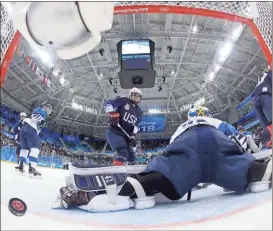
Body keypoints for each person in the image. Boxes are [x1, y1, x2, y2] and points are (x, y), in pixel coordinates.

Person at [52, 106, 271, 212]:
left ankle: (93, 193)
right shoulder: (213, 120)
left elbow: (172, 151)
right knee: (255, 173)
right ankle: (261, 170)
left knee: (155, 178)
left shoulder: (182, 128)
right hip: (216, 140)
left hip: (186, 144)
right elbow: (241, 137)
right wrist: (249, 152)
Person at [103, 88, 143, 165]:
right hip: (114, 131)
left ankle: (132, 176)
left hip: (126, 136)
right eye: (134, 95)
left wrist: (133, 136)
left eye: (138, 95)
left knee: (132, 158)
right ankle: (115, 174)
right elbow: (108, 103)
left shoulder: (139, 112)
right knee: (123, 152)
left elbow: (136, 126)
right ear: (130, 95)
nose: (136, 97)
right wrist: (111, 113)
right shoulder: (124, 100)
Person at [15, 102, 52, 177]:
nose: (48, 110)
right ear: (45, 107)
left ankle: (21, 166)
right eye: (48, 108)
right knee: (35, 149)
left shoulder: (40, 111)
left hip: (23, 130)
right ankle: (32, 168)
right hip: (31, 129)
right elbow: (35, 115)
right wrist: (42, 120)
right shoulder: (42, 111)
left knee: (24, 149)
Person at [253, 68, 272, 148]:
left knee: (267, 128)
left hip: (256, 100)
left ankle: (268, 144)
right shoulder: (270, 73)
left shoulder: (262, 79)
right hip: (264, 95)